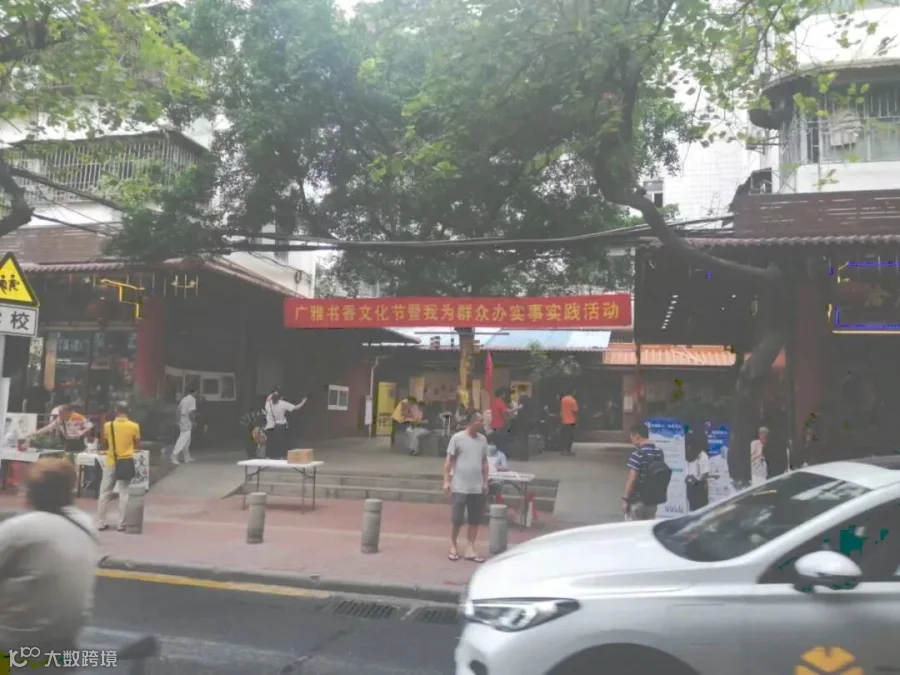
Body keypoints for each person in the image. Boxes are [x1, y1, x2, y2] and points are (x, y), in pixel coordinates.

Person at [0, 458, 98, 657]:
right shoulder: (85, 523)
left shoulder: (20, 529)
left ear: (31, 494)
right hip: (64, 645)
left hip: (14, 648)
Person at [443, 411, 489, 563]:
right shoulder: (457, 438)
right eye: (480, 421)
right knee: (457, 519)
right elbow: (449, 461)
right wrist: (446, 481)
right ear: (472, 422)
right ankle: (453, 545)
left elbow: (484, 462)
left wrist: (485, 482)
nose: (482, 423)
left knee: (475, 519)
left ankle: (470, 547)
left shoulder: (483, 440)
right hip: (460, 485)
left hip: (476, 486)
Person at [97, 403, 140, 531]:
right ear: (128, 411)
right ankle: (121, 523)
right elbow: (137, 444)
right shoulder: (134, 426)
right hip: (126, 461)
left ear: (116, 411)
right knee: (124, 492)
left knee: (104, 493)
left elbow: (104, 442)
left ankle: (100, 522)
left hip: (111, 461)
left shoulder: (107, 425)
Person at [622, 421, 671, 521]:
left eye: (631, 437)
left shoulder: (637, 454)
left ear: (637, 436)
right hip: (653, 502)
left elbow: (632, 480)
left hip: (637, 501)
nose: (631, 441)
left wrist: (626, 499)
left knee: (635, 528)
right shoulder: (659, 453)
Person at [29, 404, 94, 455]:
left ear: (67, 412)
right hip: (67, 442)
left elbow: (90, 425)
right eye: (59, 413)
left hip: (78, 442)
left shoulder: (77, 417)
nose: (59, 415)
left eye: (61, 413)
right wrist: (35, 433)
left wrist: (82, 432)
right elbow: (48, 427)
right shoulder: (59, 419)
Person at [264, 390, 307, 459]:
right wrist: (303, 402)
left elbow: (268, 399)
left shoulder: (268, 404)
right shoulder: (283, 404)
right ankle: (280, 457)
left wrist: (273, 393)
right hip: (280, 427)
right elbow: (295, 408)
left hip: (269, 426)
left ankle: (268, 457)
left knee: (270, 443)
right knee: (280, 443)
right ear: (280, 397)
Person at [684, 425, 710, 511]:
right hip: (690, 487)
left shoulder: (702, 455)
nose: (689, 446)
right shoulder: (687, 455)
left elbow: (705, 473)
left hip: (699, 487)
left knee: (701, 510)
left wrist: (697, 480)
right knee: (692, 510)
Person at [171, 388, 197, 465]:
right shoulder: (192, 399)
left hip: (182, 419)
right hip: (187, 419)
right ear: (194, 392)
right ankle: (174, 455)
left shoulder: (184, 399)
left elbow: (178, 410)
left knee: (187, 439)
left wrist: (177, 420)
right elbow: (191, 412)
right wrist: (194, 421)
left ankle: (187, 457)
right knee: (183, 438)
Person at [558, 389, 578, 456]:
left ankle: (563, 450)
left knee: (564, 436)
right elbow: (575, 412)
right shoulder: (573, 400)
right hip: (571, 421)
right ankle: (568, 451)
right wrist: (576, 421)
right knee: (570, 437)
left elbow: (561, 409)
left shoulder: (563, 400)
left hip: (563, 421)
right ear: (573, 392)